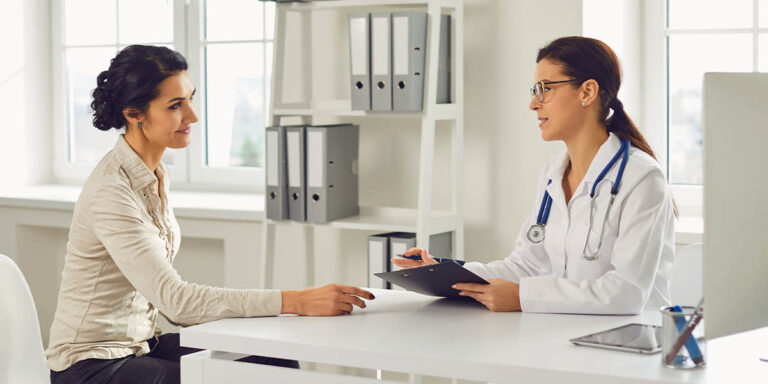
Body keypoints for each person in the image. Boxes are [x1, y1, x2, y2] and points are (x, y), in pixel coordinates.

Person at [46, 45, 374, 384]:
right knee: (228, 377)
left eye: (190, 98)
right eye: (175, 106)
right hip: (90, 367)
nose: (192, 115)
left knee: (271, 360)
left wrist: (259, 323)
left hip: (141, 347)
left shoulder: (155, 175)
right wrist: (296, 301)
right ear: (134, 114)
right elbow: (177, 303)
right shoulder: (111, 192)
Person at [394, 36, 675, 315]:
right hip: (563, 335)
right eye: (534, 90)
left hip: (628, 344)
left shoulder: (642, 178)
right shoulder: (554, 174)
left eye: (544, 89)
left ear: (587, 92)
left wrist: (522, 297)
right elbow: (526, 266)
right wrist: (446, 272)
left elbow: (627, 292)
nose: (533, 104)